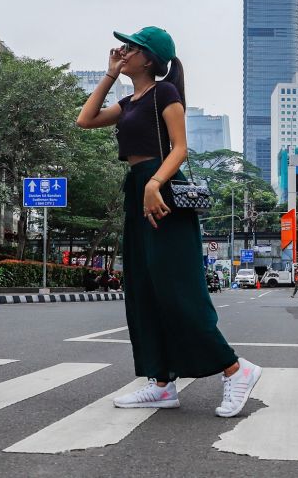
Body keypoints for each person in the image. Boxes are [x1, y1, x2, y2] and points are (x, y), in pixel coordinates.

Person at [75, 26, 260, 417]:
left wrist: (156, 183)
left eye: (132, 47)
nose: (123, 51)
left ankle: (236, 369)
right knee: (143, 288)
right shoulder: (128, 102)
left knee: (177, 290)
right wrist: (109, 73)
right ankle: (161, 381)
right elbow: (84, 119)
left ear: (150, 58)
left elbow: (180, 147)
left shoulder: (165, 93)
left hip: (162, 191)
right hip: (137, 189)